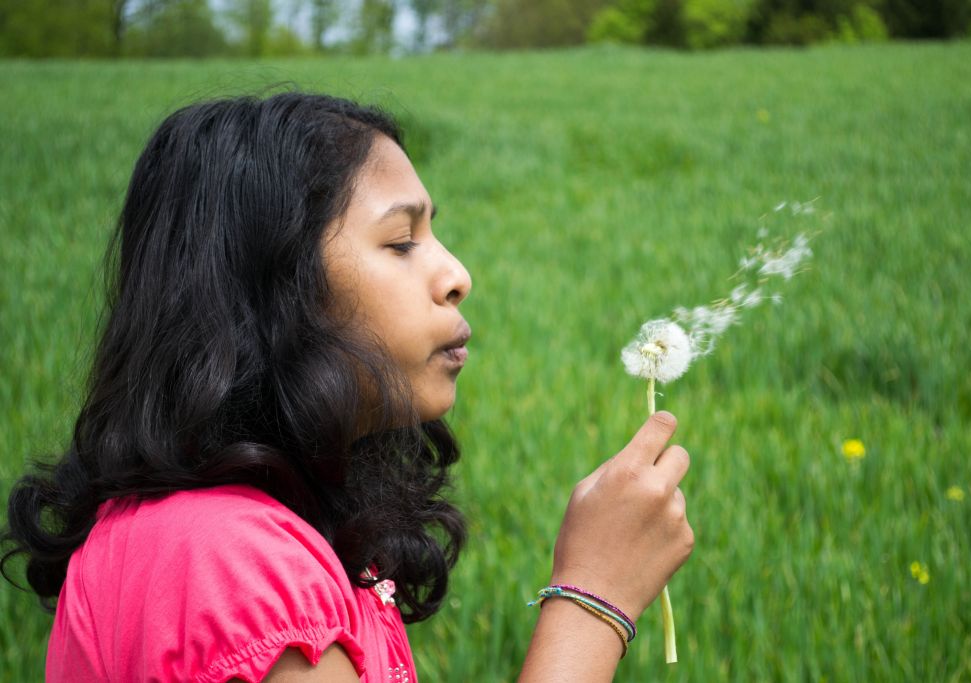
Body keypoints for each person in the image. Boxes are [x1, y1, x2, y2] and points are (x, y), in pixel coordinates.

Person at [2, 92, 695, 682]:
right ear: (272, 295)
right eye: (401, 242)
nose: (457, 274)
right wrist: (593, 598)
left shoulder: (213, 534)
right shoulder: (234, 569)